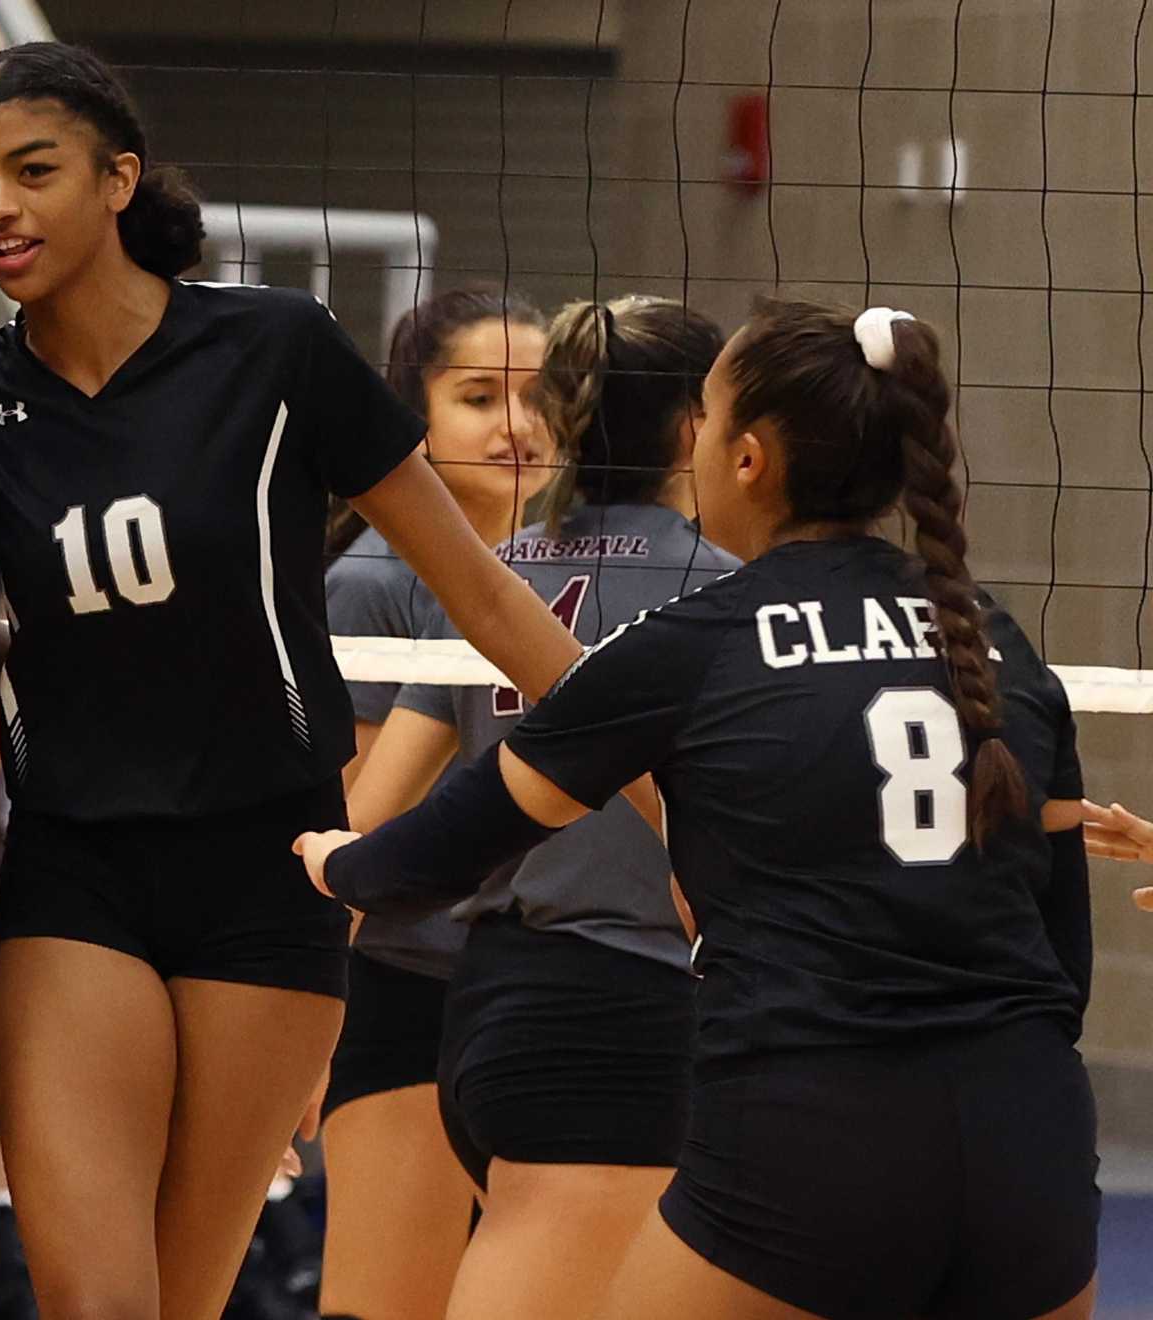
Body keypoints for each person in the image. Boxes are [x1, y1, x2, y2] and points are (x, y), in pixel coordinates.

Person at [0, 41, 586, 1319]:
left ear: (117, 181)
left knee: (181, 1299)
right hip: (75, 876)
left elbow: (482, 592)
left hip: (265, 878)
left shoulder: (273, 350)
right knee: (98, 1303)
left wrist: (663, 779)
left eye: (31, 171)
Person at [298, 300, 1100, 1320]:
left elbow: (456, 833)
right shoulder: (995, 642)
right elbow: (1060, 947)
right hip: (1025, 1133)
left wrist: (337, 865)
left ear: (747, 458)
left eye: (712, 419)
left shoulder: (704, 633)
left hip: (806, 1123)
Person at [347, 295, 735, 1319]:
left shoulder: (490, 582)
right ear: (698, 426)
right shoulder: (729, 595)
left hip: (488, 1008)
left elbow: (374, 816)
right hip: (620, 1014)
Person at [316, 284, 553, 1320]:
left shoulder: (568, 564)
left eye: (540, 394)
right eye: (477, 395)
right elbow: (348, 824)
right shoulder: (372, 580)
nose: (516, 424)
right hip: (408, 991)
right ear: (412, 417)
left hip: (533, 991)